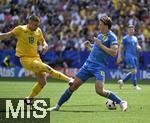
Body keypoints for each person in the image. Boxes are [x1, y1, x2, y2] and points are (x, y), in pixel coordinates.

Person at [50, 16, 128, 112]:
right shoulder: (100, 35)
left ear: (106, 26)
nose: (99, 26)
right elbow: (97, 48)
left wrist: (100, 45)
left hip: (99, 67)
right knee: (73, 85)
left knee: (99, 91)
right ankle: (57, 106)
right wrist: (90, 46)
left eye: (100, 24)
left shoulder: (112, 37)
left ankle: (121, 102)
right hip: (88, 65)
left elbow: (113, 52)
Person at [0, 14, 73, 103]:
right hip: (25, 59)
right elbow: (7, 35)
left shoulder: (38, 30)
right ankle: (69, 79)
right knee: (46, 68)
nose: (36, 27)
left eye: (37, 25)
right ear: (29, 23)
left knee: (42, 82)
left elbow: (42, 40)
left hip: (36, 58)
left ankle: (29, 99)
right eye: (35, 25)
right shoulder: (20, 29)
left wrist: (45, 45)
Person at [116, 25, 141, 90]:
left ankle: (122, 81)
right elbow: (120, 47)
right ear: (128, 30)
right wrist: (119, 56)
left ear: (134, 30)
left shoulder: (135, 38)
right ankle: (135, 86)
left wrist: (138, 47)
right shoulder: (125, 38)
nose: (131, 31)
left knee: (133, 71)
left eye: (132, 29)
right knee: (134, 70)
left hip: (135, 56)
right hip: (128, 56)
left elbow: (137, 45)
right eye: (130, 29)